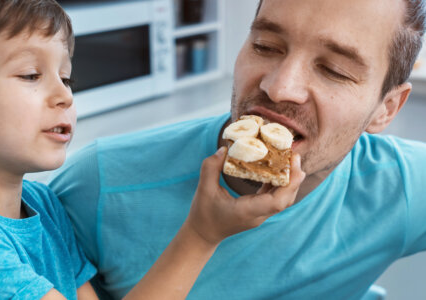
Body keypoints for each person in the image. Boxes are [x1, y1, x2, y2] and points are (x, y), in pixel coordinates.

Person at [0, 0, 305, 299]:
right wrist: (203, 234)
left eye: (67, 77)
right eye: (30, 75)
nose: (65, 96)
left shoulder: (43, 205)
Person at [49, 0, 426, 299]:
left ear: (387, 108)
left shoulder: (404, 187)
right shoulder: (98, 185)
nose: (280, 88)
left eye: (334, 70)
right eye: (265, 46)